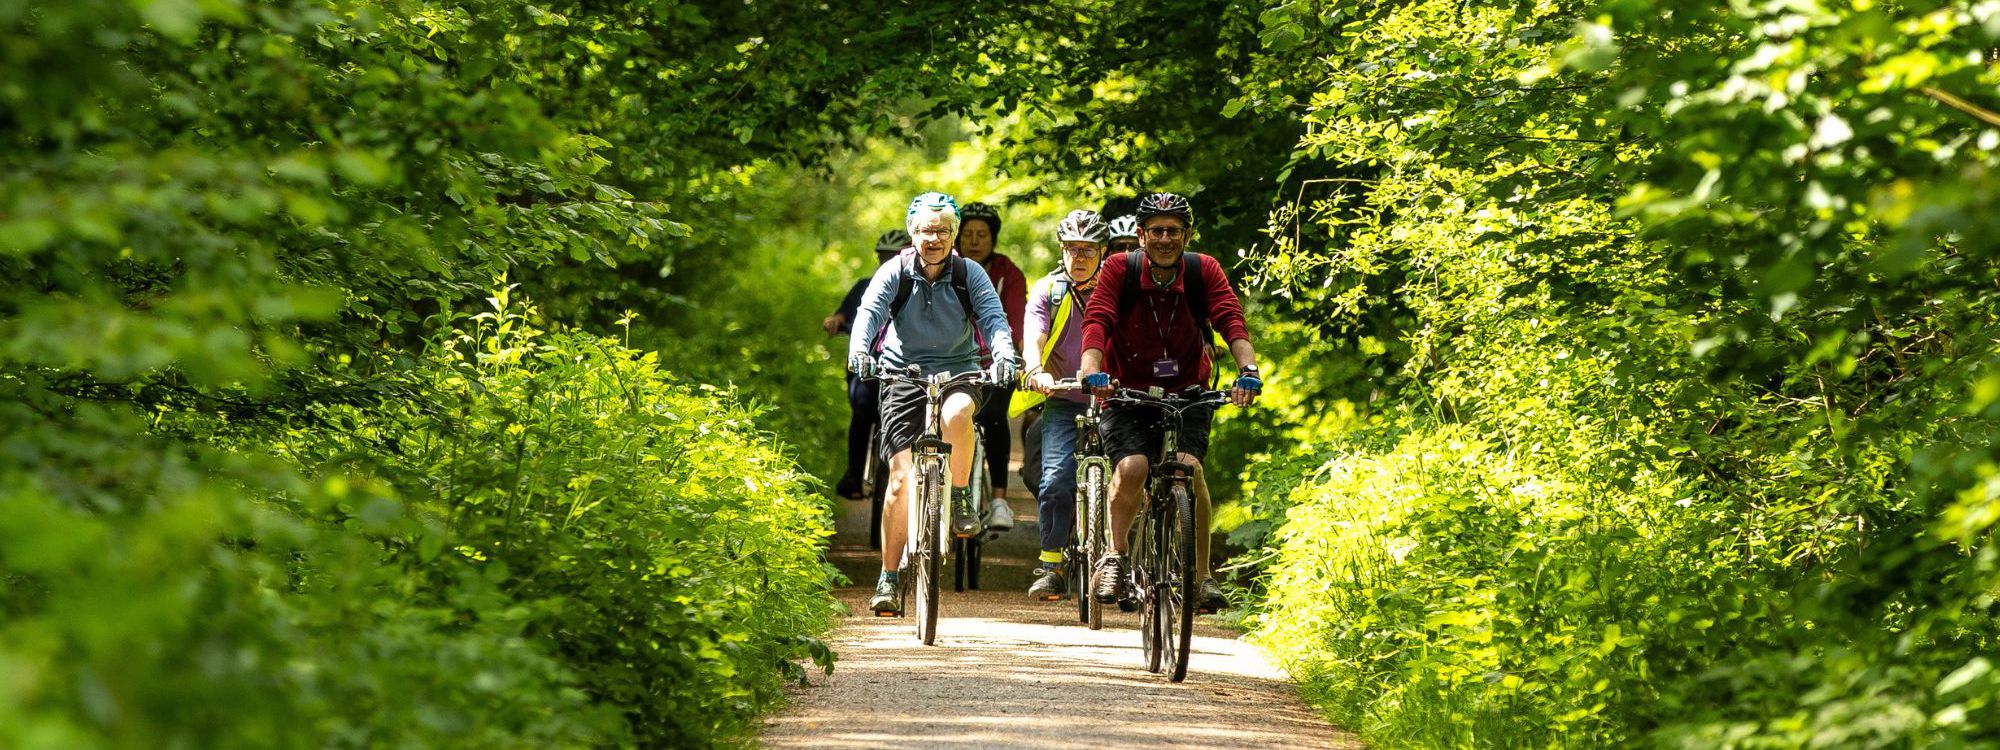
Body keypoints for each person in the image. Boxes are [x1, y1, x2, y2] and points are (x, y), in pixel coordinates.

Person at [1077, 192, 1263, 613]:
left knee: (1190, 470)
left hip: (1188, 391)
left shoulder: (1203, 270)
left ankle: (1201, 578)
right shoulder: (1119, 269)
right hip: (1124, 390)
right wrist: (1092, 370)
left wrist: (1247, 371)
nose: (1165, 238)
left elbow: (1229, 318)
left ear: (1187, 235)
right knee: (1133, 466)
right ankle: (1116, 556)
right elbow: (1098, 319)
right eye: (1156, 230)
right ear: (1141, 235)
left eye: (1174, 231)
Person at [847, 192, 1019, 616]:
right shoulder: (895, 271)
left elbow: (994, 319)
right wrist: (860, 350)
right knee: (901, 481)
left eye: (943, 231)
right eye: (926, 231)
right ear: (913, 232)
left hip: (959, 371)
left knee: (958, 414)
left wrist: (1004, 357)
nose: (934, 239)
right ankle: (888, 579)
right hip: (901, 374)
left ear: (953, 234)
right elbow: (869, 313)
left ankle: (960, 496)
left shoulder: (969, 273)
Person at [1021, 209, 1110, 600]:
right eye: (1072, 249)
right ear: (1062, 250)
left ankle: (1121, 561)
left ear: (1102, 251)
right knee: (1055, 479)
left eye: (1088, 250)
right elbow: (1033, 336)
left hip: (1113, 401)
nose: (1080, 257)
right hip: (1062, 398)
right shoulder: (1048, 290)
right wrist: (1035, 370)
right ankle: (1052, 565)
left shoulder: (1117, 288)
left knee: (1130, 479)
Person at [956, 202, 1027, 533]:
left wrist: (1010, 355)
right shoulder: (947, 267)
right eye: (967, 234)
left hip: (994, 363)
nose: (973, 241)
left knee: (995, 416)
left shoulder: (1007, 272)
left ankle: (998, 499)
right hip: (953, 363)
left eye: (981, 235)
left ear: (993, 238)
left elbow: (1015, 319)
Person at [827, 229, 911, 501]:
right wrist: (836, 321)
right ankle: (854, 473)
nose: (887, 262)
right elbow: (844, 312)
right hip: (870, 367)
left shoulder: (918, 286)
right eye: (883, 256)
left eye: (893, 256)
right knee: (862, 408)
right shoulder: (865, 285)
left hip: (905, 368)